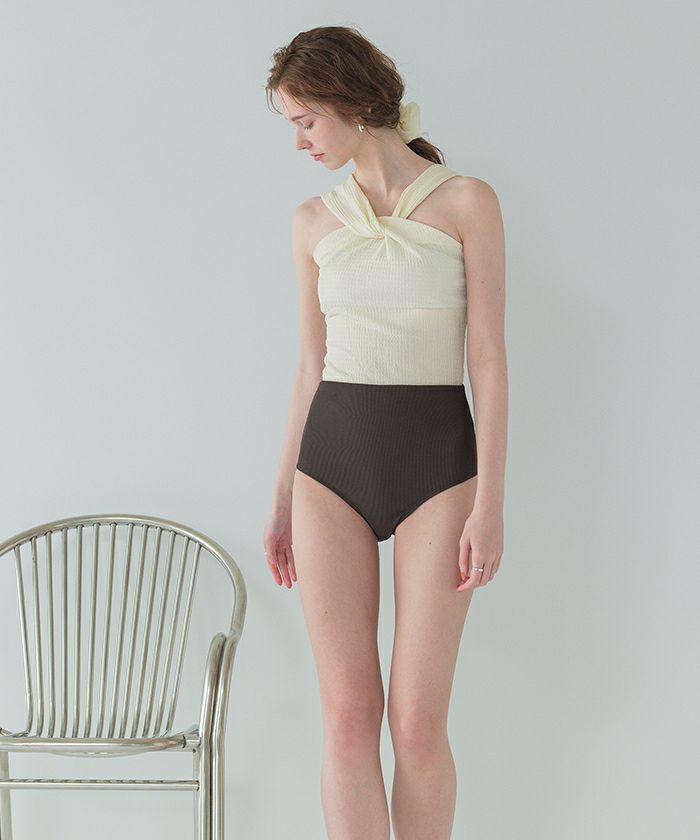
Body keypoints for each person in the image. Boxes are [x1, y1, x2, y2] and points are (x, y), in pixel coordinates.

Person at [262, 25, 507, 840]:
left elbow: (488, 358)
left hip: (440, 468)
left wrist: (490, 504)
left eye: (306, 121)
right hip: (328, 469)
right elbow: (309, 366)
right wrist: (280, 498)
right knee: (346, 717)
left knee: (417, 725)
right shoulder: (311, 221)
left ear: (351, 103)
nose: (300, 142)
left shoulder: (467, 201)